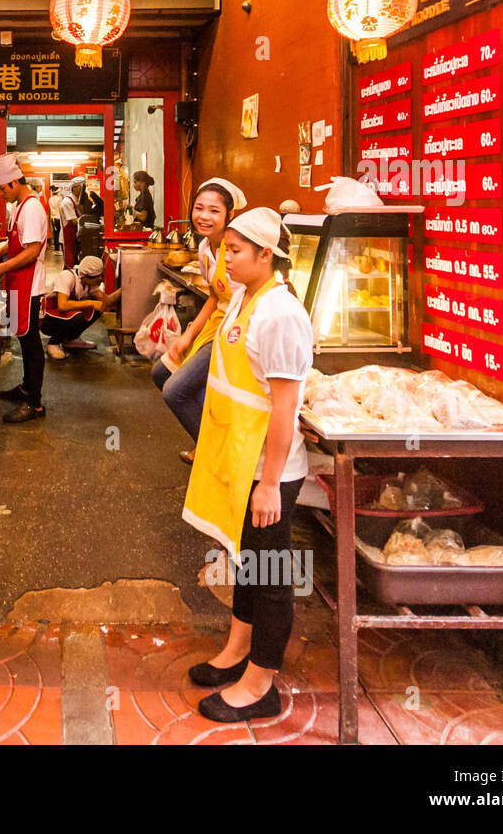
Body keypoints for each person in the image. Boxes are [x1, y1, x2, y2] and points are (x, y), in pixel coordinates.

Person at [181, 207, 313, 724]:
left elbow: (284, 407)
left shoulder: (280, 315)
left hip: (270, 471)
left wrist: (271, 483)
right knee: (247, 561)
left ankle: (262, 683)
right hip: (242, 463)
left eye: (235, 251)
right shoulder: (243, 297)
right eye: (226, 249)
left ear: (266, 254)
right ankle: (237, 650)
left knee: (272, 570)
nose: (226, 259)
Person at [151, 177, 247, 452]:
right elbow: (214, 297)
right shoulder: (205, 248)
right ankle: (209, 440)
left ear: (230, 215)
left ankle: (212, 452)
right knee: (161, 373)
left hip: (237, 333)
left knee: (175, 390)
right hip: (214, 326)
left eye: (214, 211)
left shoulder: (238, 248)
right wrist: (187, 335)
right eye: (199, 208)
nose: (204, 216)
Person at [0, 153, 48, 424]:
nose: (0, 194)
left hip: (29, 284)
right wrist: (1, 249)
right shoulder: (19, 206)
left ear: (13, 183)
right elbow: (18, 241)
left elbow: (32, 250)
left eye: (1, 189)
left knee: (30, 343)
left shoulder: (31, 207)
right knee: (22, 337)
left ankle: (34, 403)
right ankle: (26, 388)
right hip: (20, 282)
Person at [41, 255, 122, 359]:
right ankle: (53, 343)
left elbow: (106, 301)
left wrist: (123, 288)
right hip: (46, 319)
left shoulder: (89, 284)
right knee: (78, 315)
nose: (100, 279)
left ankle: (70, 339)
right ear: (86, 276)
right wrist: (90, 303)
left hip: (61, 316)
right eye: (98, 277)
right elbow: (62, 305)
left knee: (97, 309)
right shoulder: (67, 277)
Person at [57, 185, 81, 266]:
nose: (82, 190)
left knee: (75, 262)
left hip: (74, 236)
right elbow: (74, 221)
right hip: (67, 237)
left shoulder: (76, 200)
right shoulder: (67, 202)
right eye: (80, 187)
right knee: (70, 264)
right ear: (74, 188)